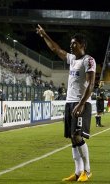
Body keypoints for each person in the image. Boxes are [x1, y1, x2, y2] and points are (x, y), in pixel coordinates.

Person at [36, 24, 95, 182]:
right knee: (72, 137)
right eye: (70, 43)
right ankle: (77, 173)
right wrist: (44, 35)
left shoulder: (88, 60)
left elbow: (91, 84)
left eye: (74, 43)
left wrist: (82, 103)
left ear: (82, 45)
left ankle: (87, 171)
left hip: (81, 103)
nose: (71, 45)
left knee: (77, 135)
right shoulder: (72, 59)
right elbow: (56, 49)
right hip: (69, 102)